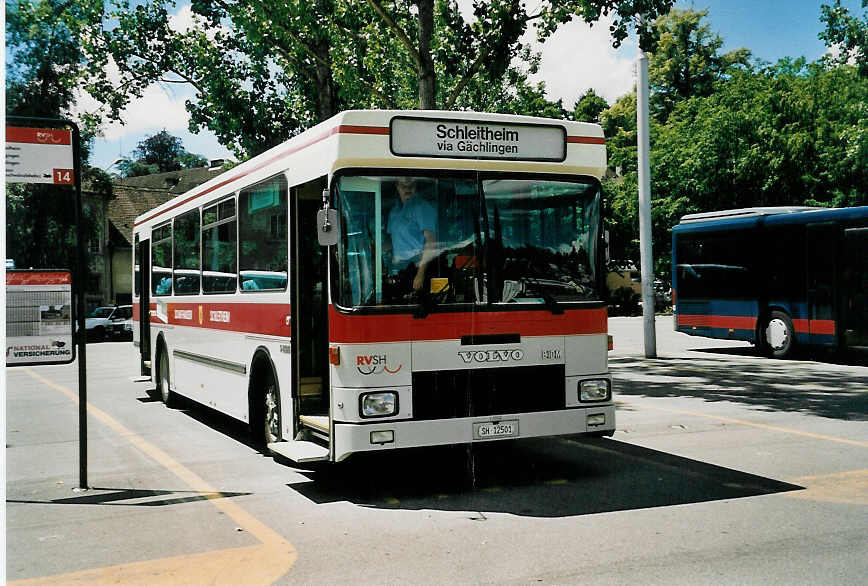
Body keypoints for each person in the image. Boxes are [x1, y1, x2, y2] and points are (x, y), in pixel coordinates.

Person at [386, 177, 437, 291]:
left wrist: (420, 275)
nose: (407, 189)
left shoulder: (422, 208)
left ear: (416, 186)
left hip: (417, 268)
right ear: (397, 186)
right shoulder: (394, 211)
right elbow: (391, 240)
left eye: (411, 186)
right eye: (404, 186)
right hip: (399, 269)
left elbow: (431, 241)